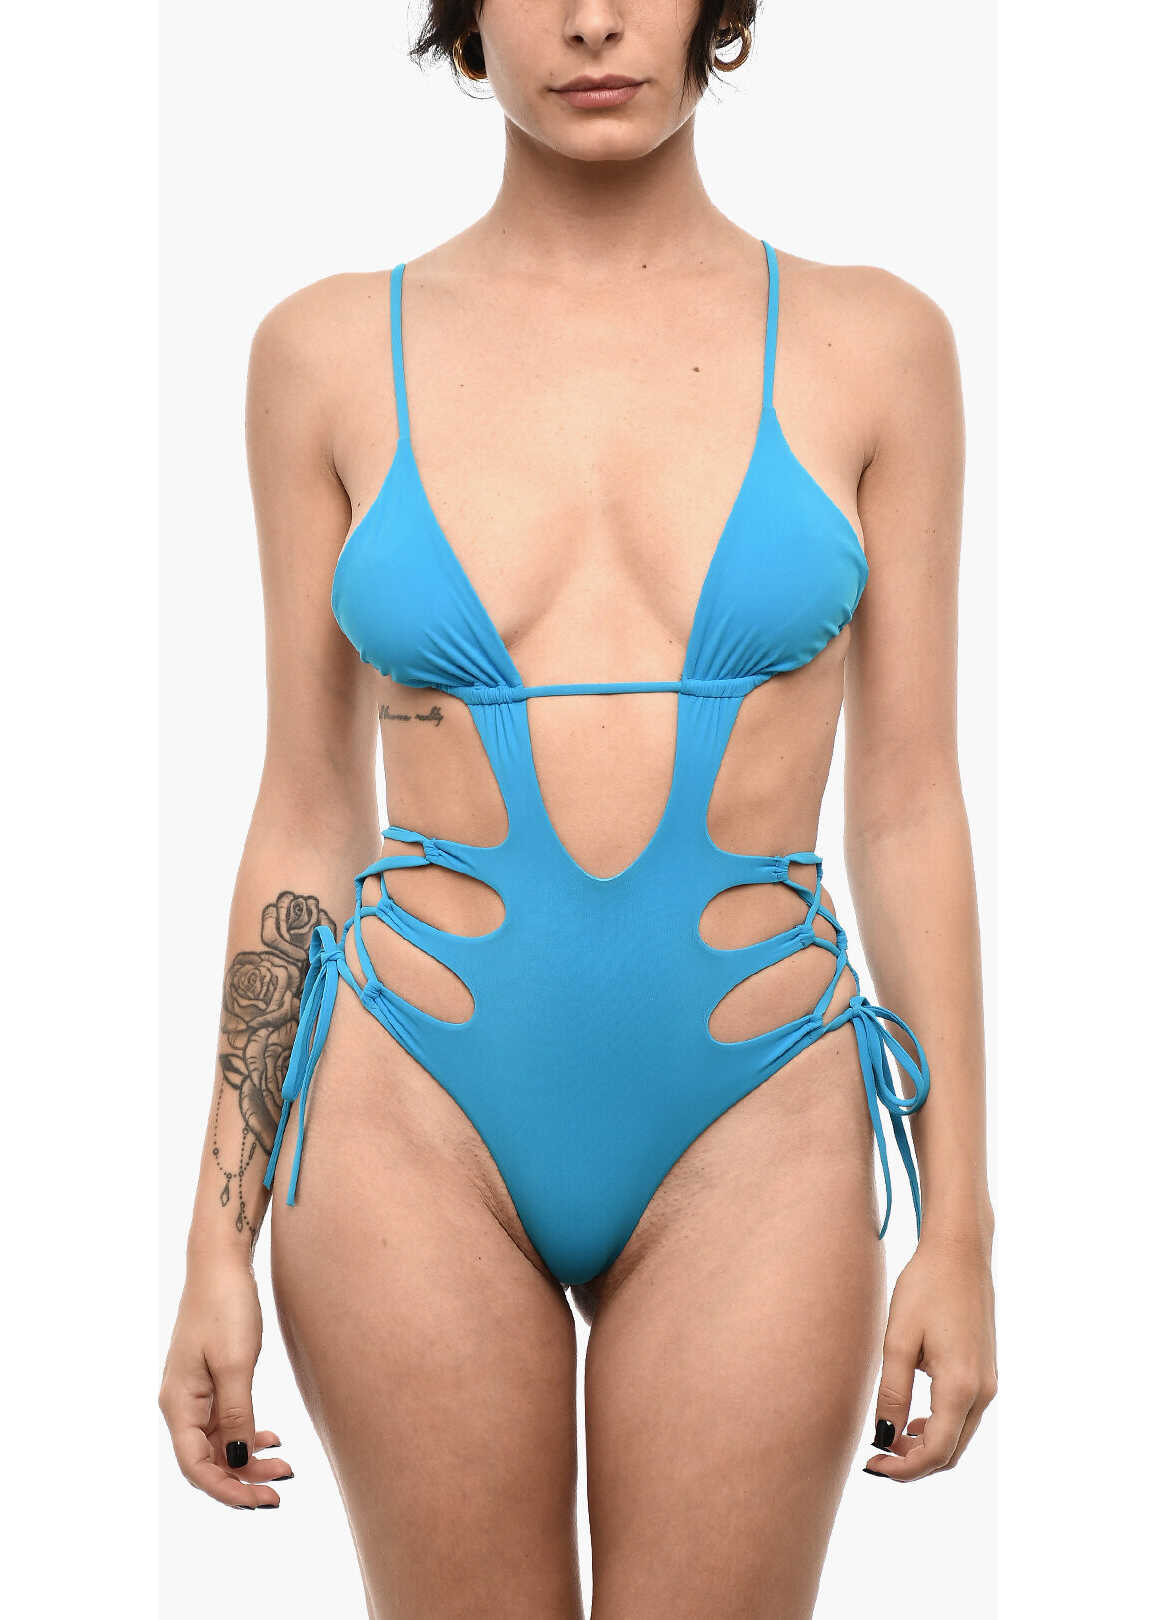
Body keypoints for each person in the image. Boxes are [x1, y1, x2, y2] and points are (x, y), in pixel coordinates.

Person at [159, 4, 996, 1614]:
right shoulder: (325, 351)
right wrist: (215, 1231)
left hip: (755, 1106)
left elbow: (908, 809)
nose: (595, 18)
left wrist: (957, 1227)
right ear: (466, 23)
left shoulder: (875, 343)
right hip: (408, 1111)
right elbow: (305, 811)